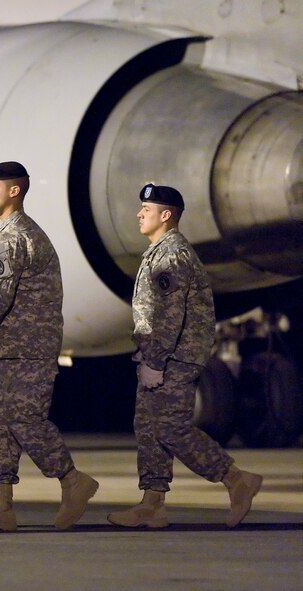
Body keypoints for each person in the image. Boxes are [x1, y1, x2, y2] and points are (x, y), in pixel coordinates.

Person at [0, 162, 98, 532]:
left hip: (27, 347)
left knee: (23, 419)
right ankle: (1, 505)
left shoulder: (16, 237)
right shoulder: (14, 234)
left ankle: (72, 479)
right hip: (8, 347)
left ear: (14, 191)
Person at [107, 184, 263, 529]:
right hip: (159, 354)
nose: (139, 214)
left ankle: (236, 478)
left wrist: (155, 362)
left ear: (166, 215)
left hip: (174, 357)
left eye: (146, 209)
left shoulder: (171, 256)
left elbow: (169, 316)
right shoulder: (157, 252)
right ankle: (152, 504)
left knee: (169, 428)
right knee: (148, 428)